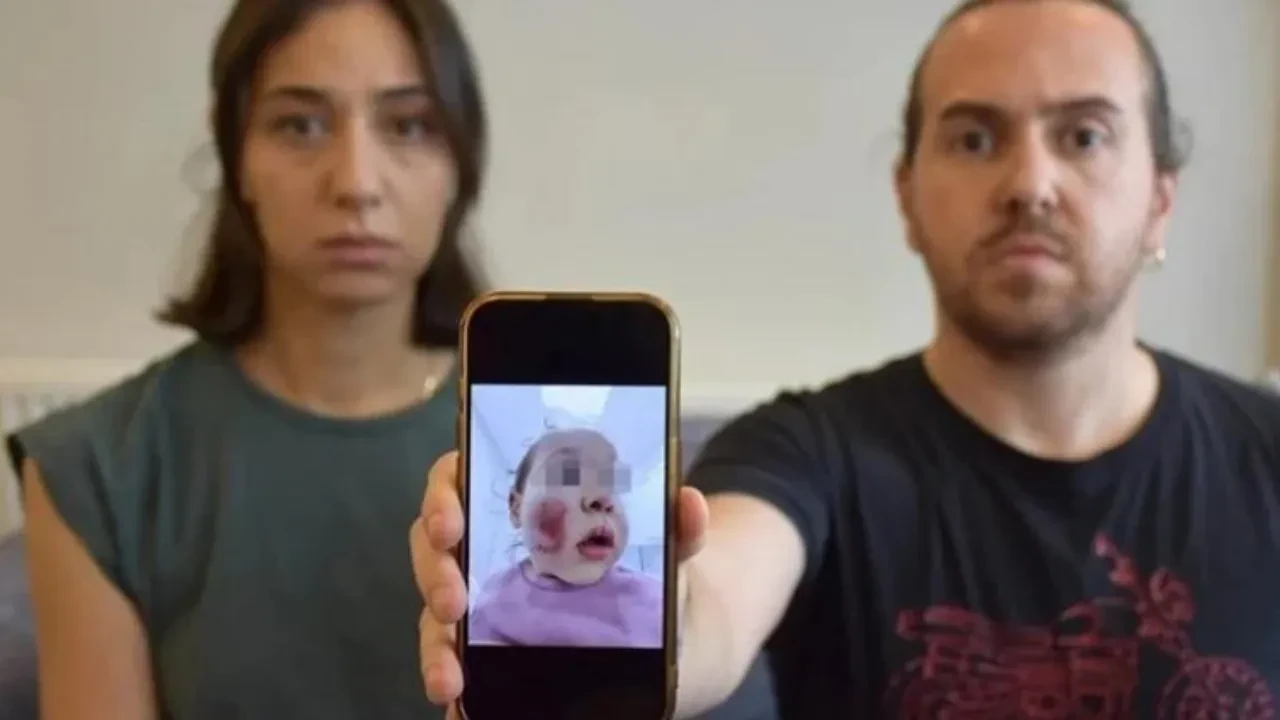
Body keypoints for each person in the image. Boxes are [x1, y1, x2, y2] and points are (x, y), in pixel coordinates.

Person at [414, 0, 1280, 717]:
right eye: (975, 139)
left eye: (1084, 136)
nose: (1029, 184)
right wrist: (629, 613)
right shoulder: (804, 452)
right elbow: (714, 603)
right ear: (907, 195)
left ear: (1161, 198)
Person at [8, 0, 485, 717]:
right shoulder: (99, 467)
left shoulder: (531, 443)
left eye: (409, 125)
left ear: (459, 163)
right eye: (300, 125)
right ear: (236, 156)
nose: (357, 183)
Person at [469, 428, 662, 648]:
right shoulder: (495, 597)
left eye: (612, 484)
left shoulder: (654, 601)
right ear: (516, 508)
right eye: (566, 476)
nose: (604, 499)